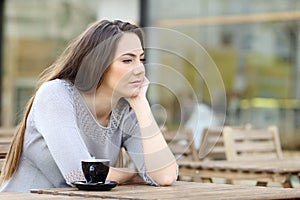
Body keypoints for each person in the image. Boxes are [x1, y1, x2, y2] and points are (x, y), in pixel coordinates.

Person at [0, 19, 178, 192]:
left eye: (142, 59)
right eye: (127, 60)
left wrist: (141, 104)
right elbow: (79, 173)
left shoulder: (125, 108)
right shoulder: (55, 94)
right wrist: (132, 175)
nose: (140, 69)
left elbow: (165, 176)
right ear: (98, 63)